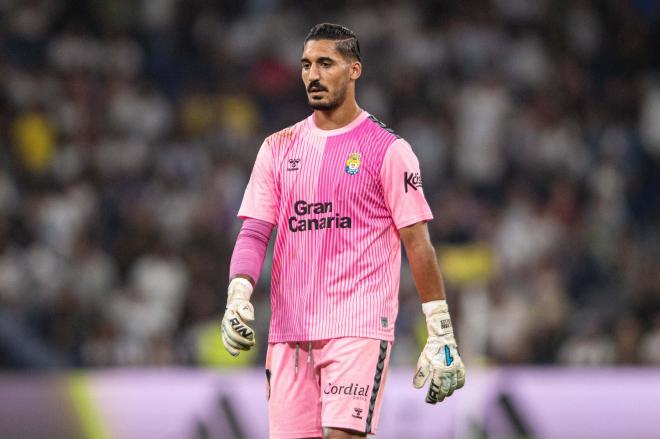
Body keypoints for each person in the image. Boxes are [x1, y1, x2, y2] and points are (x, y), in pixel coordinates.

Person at [221, 23, 465, 439]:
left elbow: (418, 244)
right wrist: (237, 295)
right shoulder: (277, 148)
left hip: (358, 328)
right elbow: (254, 232)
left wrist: (440, 331)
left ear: (354, 70)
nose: (313, 75)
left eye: (325, 64)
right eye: (306, 65)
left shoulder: (389, 150)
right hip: (289, 335)